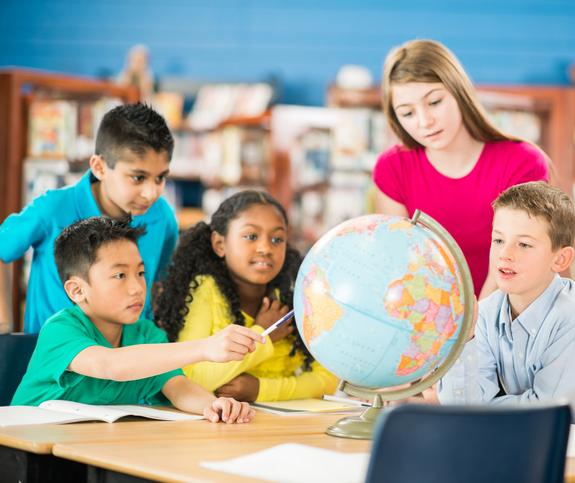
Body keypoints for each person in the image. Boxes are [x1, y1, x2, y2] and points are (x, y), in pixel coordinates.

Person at [438, 182, 575, 427]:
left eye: (524, 244)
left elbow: (545, 411)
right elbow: (462, 408)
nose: (505, 254)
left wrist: (483, 408)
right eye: (498, 240)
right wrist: (466, 339)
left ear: (560, 259)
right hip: (548, 440)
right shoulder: (485, 315)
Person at [12, 217, 262, 424]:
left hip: (90, 449)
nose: (137, 288)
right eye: (120, 275)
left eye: (140, 273)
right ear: (77, 290)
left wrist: (214, 405)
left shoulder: (147, 334)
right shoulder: (60, 329)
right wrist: (206, 347)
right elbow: (110, 365)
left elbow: (177, 386)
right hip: (25, 452)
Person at [373, 39, 549, 300]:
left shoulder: (522, 163)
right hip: (424, 321)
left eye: (434, 102)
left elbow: (516, 262)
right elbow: (398, 265)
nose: (424, 121)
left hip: (505, 321)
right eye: (407, 113)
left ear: (459, 91)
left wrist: (474, 331)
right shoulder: (392, 169)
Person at [0, 103, 178, 333]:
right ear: (100, 167)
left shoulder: (162, 216)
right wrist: (3, 328)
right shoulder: (53, 208)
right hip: (58, 361)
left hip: (131, 360)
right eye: (138, 178)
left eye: (160, 178)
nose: (151, 192)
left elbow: (157, 287)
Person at [155, 190, 338, 402]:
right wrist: (263, 337)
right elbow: (189, 379)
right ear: (220, 244)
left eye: (277, 239)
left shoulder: (293, 296)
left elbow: (328, 380)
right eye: (251, 236)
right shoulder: (205, 291)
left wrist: (260, 390)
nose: (265, 248)